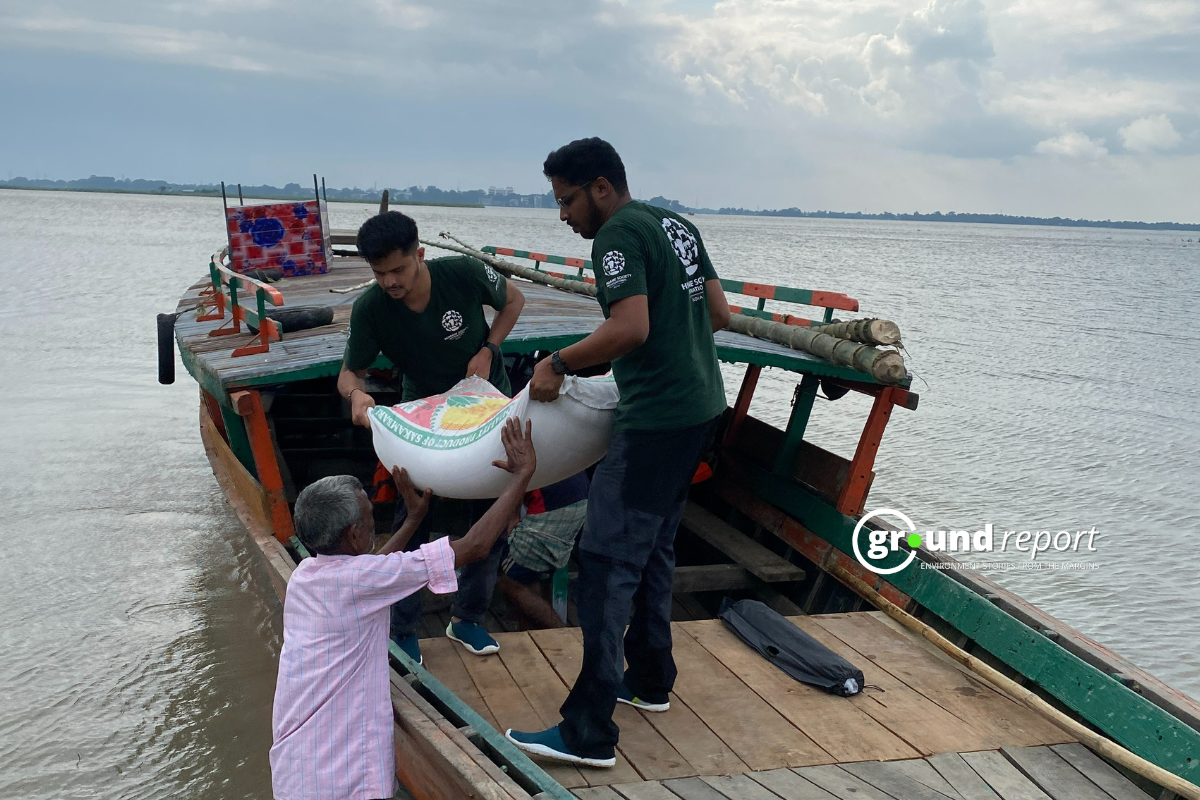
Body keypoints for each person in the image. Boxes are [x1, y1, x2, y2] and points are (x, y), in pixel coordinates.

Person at [505, 138, 731, 767]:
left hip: (655, 424)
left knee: (605, 565)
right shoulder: (676, 225)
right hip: (701, 412)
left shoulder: (617, 237)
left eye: (567, 200)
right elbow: (718, 314)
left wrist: (556, 363)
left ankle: (588, 733)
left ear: (601, 187)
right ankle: (651, 680)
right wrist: (670, 354)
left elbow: (629, 328)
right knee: (655, 545)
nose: (563, 215)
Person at [270, 418, 536, 800]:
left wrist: (412, 520)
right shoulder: (360, 580)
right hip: (339, 776)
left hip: (297, 768)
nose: (373, 522)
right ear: (353, 535)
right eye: (368, 518)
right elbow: (475, 546)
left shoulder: (307, 576)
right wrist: (521, 476)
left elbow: (376, 570)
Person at [337, 211, 526, 664]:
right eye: (379, 273)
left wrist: (489, 348)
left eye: (398, 270)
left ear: (420, 255)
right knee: (414, 518)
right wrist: (357, 396)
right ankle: (403, 631)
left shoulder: (460, 273)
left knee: (492, 516)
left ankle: (467, 619)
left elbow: (514, 300)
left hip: (485, 407)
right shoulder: (372, 309)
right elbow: (349, 373)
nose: (389, 282)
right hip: (424, 417)